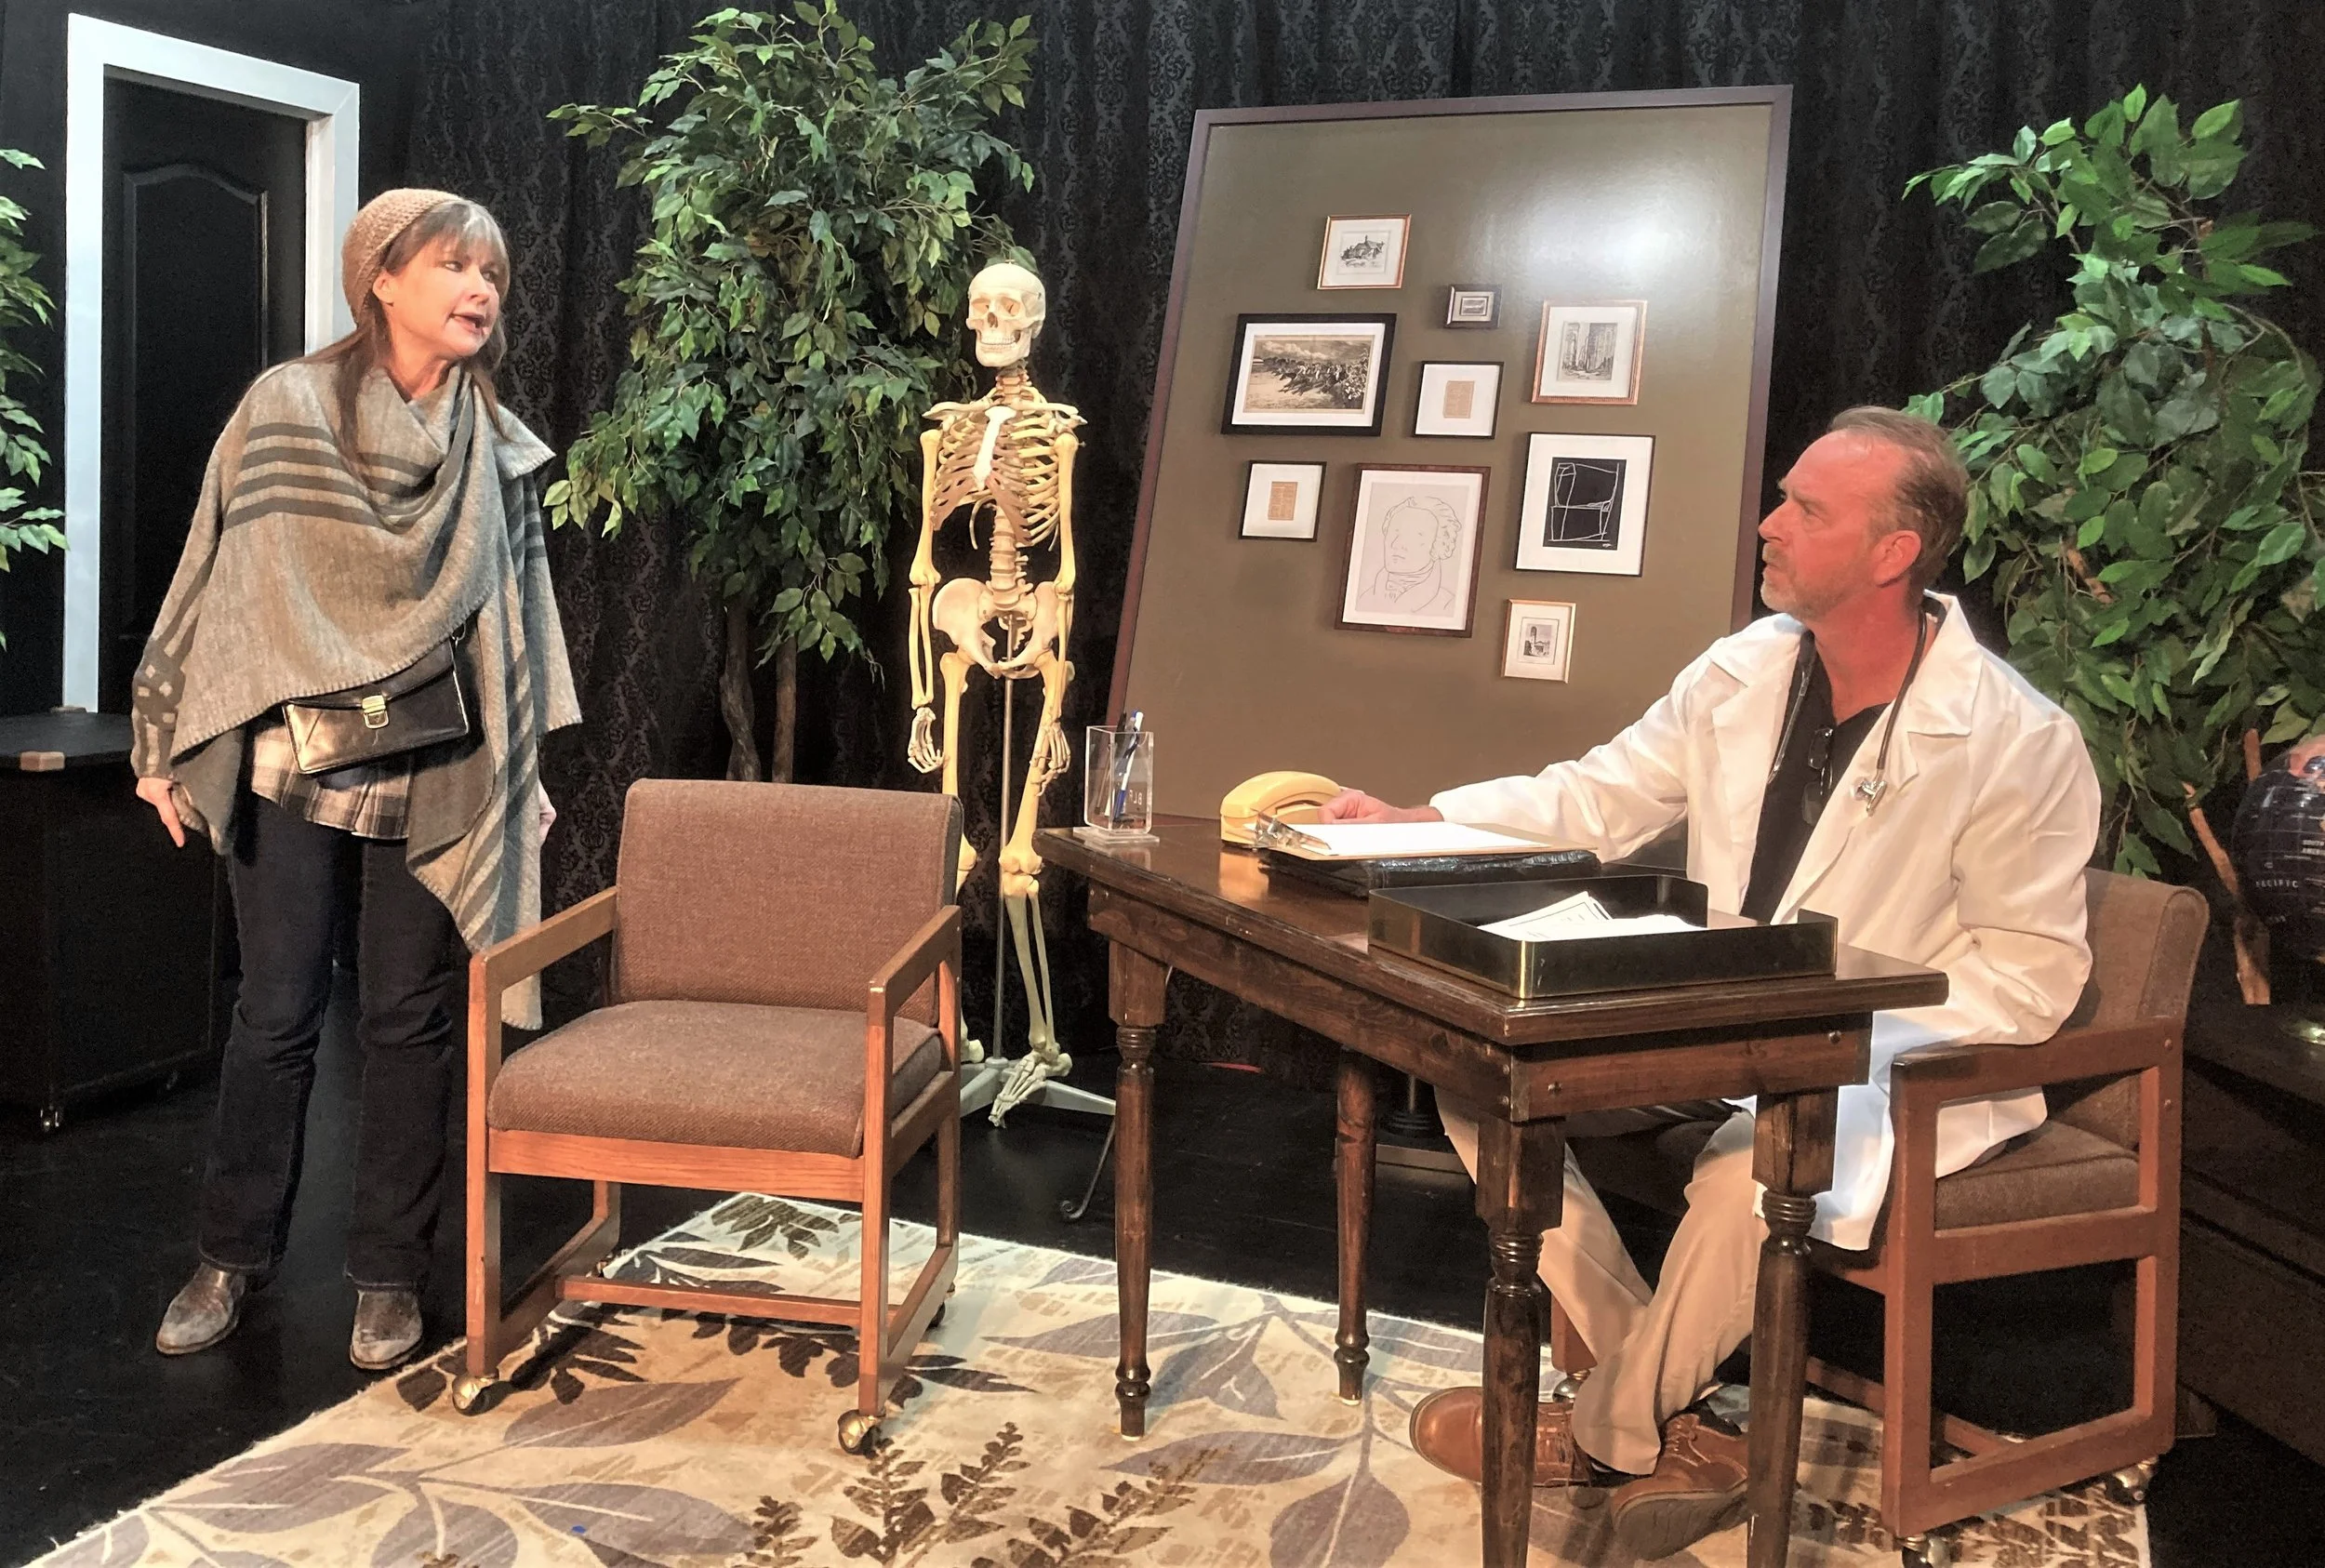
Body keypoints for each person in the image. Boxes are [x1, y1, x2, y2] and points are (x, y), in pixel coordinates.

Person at [1324, 407, 2100, 1559]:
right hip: (1715, 1022)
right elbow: (1598, 797)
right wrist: (1422, 820)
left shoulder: (2015, 739)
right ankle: (1671, 1413)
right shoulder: (1744, 668)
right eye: (1781, 498)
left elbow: (2030, 974)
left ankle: (1607, 1427)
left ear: (1892, 552)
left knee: (1754, 1168)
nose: (1768, 523)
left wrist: (1831, 1016)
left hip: (1889, 1057)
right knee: (1481, 1078)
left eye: (1805, 509)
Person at [129, 189, 578, 1372]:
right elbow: (212, 572)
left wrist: (521, 768)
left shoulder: (495, 445)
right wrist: (163, 732)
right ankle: (228, 1258)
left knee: (410, 1021)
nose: (480, 290)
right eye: (454, 266)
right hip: (290, 760)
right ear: (381, 276)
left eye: (492, 273)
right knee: (275, 1014)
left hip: (434, 764)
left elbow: (514, 624)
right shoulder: (286, 410)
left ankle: (388, 1277)